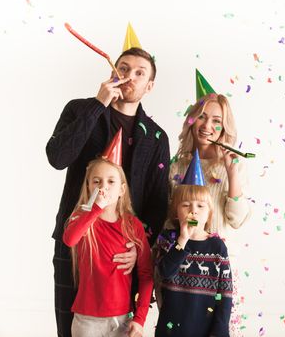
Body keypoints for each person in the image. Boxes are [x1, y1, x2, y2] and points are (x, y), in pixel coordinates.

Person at [46, 47, 170, 337]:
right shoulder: (80, 109)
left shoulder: (155, 137)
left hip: (120, 253)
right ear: (113, 73)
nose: (130, 76)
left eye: (140, 73)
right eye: (123, 68)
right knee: (68, 330)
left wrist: (140, 247)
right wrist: (98, 105)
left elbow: (157, 202)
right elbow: (57, 157)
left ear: (149, 86)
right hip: (74, 240)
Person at [170, 93, 251, 335]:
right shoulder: (177, 165)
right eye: (202, 117)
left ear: (225, 127)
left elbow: (237, 219)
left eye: (217, 120)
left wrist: (232, 175)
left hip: (219, 270)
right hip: (181, 267)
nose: (207, 126)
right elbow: (169, 217)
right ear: (191, 120)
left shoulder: (234, 165)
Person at [63, 157, 153, 337]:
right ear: (89, 187)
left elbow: (146, 274)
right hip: (86, 321)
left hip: (122, 320)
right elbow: (70, 240)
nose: (103, 187)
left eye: (111, 181)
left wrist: (140, 318)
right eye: (97, 181)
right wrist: (95, 209)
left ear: (122, 189)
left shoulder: (133, 225)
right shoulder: (81, 219)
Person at [154, 183, 233, 337]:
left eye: (200, 206)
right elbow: (164, 272)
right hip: (170, 329)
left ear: (209, 214)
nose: (193, 210)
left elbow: (225, 293)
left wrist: (220, 331)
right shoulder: (168, 240)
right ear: (176, 213)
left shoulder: (217, 247)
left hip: (205, 329)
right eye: (185, 205)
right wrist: (182, 240)